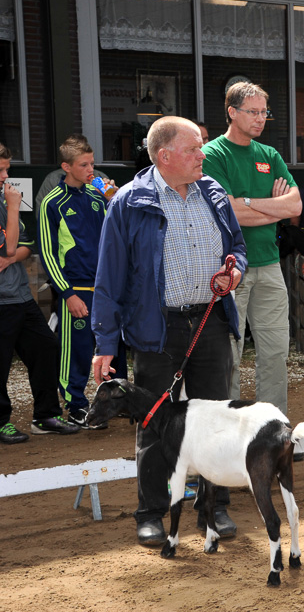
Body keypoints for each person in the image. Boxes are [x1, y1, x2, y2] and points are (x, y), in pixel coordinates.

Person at [91, 117, 247, 546]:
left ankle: (213, 509)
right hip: (155, 330)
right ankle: (151, 513)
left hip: (211, 322)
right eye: (194, 149)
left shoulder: (212, 192)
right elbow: (108, 279)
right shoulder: (127, 203)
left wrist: (234, 271)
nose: (202, 155)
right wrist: (105, 342)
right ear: (164, 156)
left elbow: (237, 246)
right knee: (156, 422)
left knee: (216, 419)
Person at [201, 82, 301, 415]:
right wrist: (271, 204)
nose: (260, 119)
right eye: (253, 112)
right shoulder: (213, 155)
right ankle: (226, 431)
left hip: (270, 265)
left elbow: (295, 206)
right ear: (232, 112)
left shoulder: (269, 155)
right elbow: (227, 214)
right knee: (228, 354)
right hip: (228, 268)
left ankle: (272, 429)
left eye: (264, 113)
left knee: (275, 353)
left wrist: (247, 205)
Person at [38, 134, 125, 428]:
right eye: (83, 164)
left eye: (92, 163)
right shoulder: (53, 202)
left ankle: (116, 402)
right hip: (75, 289)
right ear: (66, 167)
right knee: (76, 351)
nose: (91, 170)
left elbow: (116, 240)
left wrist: (115, 199)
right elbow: (47, 253)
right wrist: (67, 293)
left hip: (105, 289)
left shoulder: (97, 197)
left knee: (112, 347)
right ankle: (76, 405)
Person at [0, 144, 80, 444]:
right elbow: (11, 246)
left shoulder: (4, 198)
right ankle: (1, 422)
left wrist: (9, 257)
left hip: (20, 296)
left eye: (8, 169)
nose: (7, 176)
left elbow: (25, 246)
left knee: (47, 347)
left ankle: (45, 415)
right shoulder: (8, 201)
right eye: (2, 170)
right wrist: (11, 208)